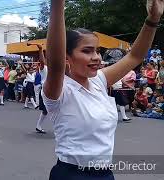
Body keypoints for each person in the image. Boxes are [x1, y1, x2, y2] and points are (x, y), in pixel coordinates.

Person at [44, 0, 163, 179]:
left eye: (97, 51)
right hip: (72, 175)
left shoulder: (98, 80)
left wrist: (153, 19)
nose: (96, 57)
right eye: (87, 51)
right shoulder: (60, 91)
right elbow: (55, 64)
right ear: (66, 57)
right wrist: (58, 4)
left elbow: (135, 56)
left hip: (105, 174)